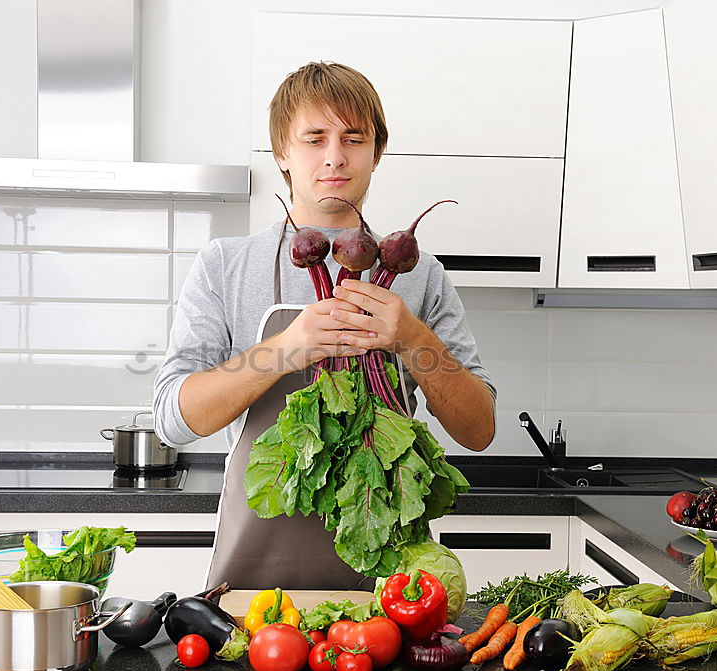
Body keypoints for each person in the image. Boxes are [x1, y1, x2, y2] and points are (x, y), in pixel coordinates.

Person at [153, 61, 497, 591]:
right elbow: (173, 421)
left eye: (353, 138)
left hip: (391, 591)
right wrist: (284, 349)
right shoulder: (226, 265)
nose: (335, 156)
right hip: (254, 591)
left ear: (375, 152)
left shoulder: (421, 275)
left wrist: (413, 338)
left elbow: (479, 431)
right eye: (315, 139)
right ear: (282, 154)